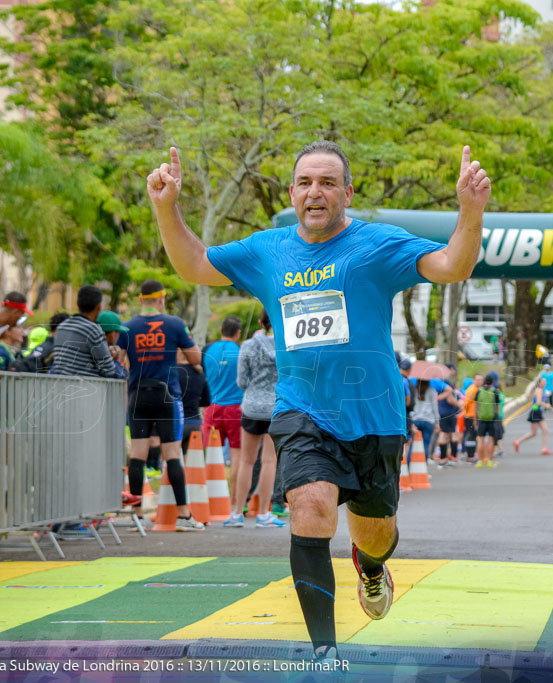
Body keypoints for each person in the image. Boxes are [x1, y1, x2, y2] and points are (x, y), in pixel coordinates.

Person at [148, 139, 489, 660]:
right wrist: (166, 206)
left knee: (376, 534)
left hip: (374, 415)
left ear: (347, 193)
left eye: (328, 182)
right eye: (306, 182)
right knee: (309, 508)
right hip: (301, 409)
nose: (315, 192)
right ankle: (324, 654)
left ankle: (371, 567)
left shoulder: (377, 245)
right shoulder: (268, 249)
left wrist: (470, 211)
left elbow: (452, 266)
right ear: (292, 191)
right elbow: (194, 264)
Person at [117, 280, 204, 532]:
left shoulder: (127, 328)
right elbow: (196, 358)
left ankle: (136, 516)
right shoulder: (175, 324)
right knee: (172, 455)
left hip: (138, 395)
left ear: (140, 298)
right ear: (161, 298)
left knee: (137, 455)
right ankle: (184, 517)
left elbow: (121, 363)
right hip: (168, 396)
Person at [232, 308, 287, 528]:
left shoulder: (248, 345)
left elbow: (241, 381)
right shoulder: (285, 346)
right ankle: (264, 513)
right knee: (269, 462)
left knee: (246, 461)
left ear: (259, 321)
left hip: (252, 407)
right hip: (275, 407)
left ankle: (237, 513)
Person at [204, 315, 245, 523]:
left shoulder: (208, 350)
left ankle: (205, 501)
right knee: (237, 457)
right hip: (235, 408)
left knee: (208, 456)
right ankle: (235, 503)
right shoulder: (239, 352)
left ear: (221, 330)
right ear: (237, 333)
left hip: (212, 408)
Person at [50, 285, 125, 379]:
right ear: (98, 307)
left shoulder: (61, 328)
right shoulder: (93, 330)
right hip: (86, 391)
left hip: (61, 389)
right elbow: (109, 372)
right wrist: (114, 359)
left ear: (78, 304)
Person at [513, 376, 550, 455]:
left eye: (545, 381)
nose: (545, 383)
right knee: (535, 432)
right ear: (539, 383)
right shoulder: (539, 390)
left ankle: (544, 448)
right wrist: (546, 405)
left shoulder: (540, 390)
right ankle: (518, 441)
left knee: (543, 430)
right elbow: (539, 402)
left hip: (538, 412)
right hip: (535, 412)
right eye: (543, 382)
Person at [474, 375, 502, 468]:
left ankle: (480, 461)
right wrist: (496, 416)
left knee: (480, 440)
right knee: (491, 440)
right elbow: (497, 406)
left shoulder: (479, 391)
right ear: (492, 382)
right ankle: (489, 460)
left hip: (481, 419)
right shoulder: (494, 391)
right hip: (491, 419)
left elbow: (476, 406)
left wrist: (475, 418)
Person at [435, 365, 460, 465]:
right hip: (449, 412)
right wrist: (459, 405)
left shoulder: (439, 382)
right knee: (450, 434)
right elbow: (450, 399)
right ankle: (450, 456)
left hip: (443, 411)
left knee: (445, 433)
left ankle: (444, 456)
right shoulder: (446, 382)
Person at [461, 372, 482, 463]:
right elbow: (468, 403)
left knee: (472, 435)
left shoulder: (476, 389)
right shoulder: (473, 390)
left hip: (472, 416)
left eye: (481, 380)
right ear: (474, 380)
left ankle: (471, 454)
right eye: (478, 380)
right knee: (471, 435)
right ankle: (470, 455)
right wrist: (472, 417)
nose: (480, 381)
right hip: (470, 416)